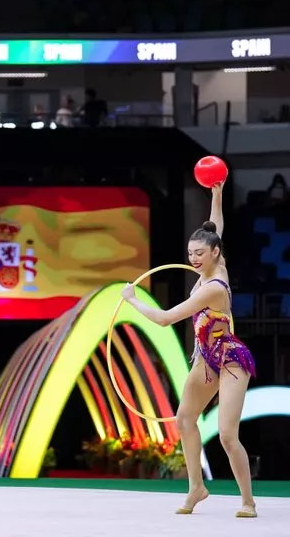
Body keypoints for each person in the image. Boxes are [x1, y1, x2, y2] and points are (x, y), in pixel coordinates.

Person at [120, 181, 256, 518]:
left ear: (214, 253)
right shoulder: (213, 262)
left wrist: (133, 301)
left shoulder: (213, 286)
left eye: (200, 253)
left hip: (231, 361)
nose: (194, 259)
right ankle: (196, 486)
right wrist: (217, 195)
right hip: (206, 360)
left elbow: (166, 319)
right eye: (190, 253)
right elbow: (217, 227)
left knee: (226, 435)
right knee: (184, 418)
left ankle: (249, 501)